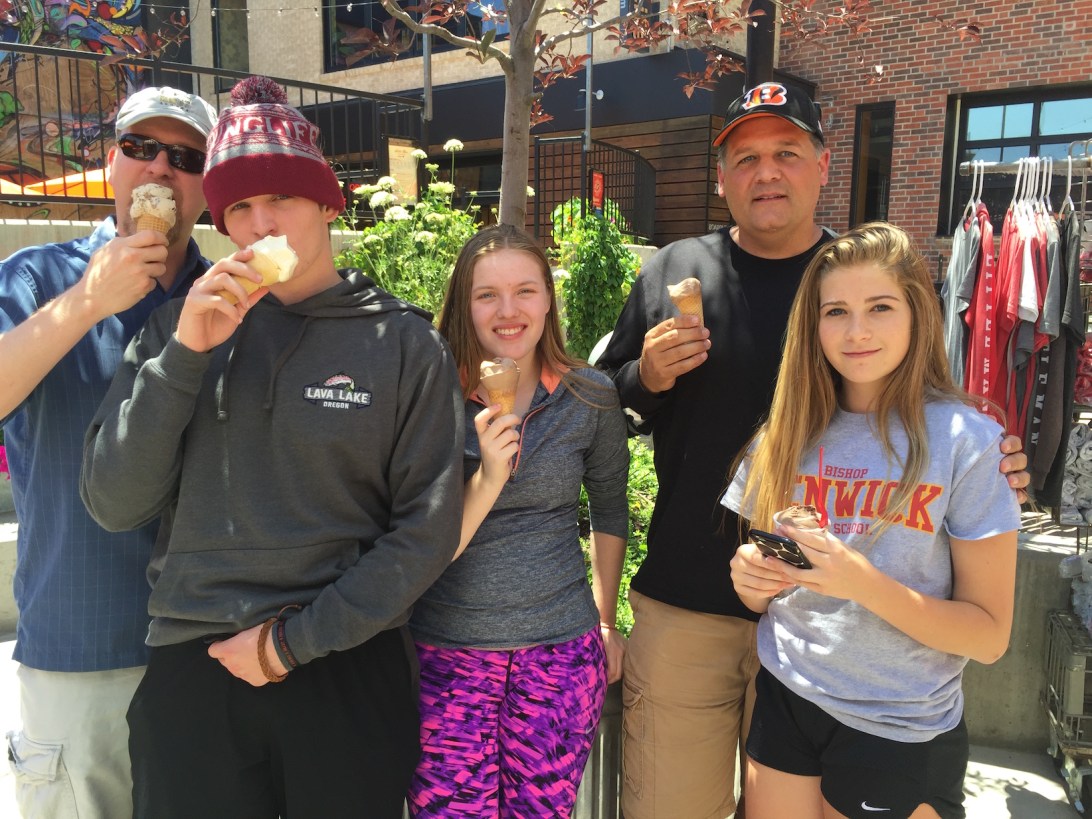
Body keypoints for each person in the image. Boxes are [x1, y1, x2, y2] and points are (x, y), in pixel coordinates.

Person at [594, 81, 1030, 819]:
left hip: (834, 642)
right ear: (723, 175)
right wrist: (647, 376)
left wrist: (997, 456)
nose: (767, 172)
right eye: (747, 157)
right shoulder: (671, 269)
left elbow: (933, 413)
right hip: (691, 605)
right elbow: (603, 411)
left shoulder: (857, 277)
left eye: (787, 153)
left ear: (824, 165)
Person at [80, 76, 464, 818]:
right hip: (195, 662)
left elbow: (426, 529)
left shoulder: (404, 342)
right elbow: (114, 501)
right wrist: (187, 354)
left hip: (342, 660)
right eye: (239, 208)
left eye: (280, 198)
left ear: (325, 202)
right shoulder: (175, 330)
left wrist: (293, 642)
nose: (259, 224)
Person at [722, 221, 1019, 818]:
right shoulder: (785, 433)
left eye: (879, 307)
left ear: (917, 314)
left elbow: (988, 637)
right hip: (787, 697)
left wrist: (858, 580)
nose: (856, 331)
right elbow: (767, 579)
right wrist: (751, 577)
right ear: (814, 324)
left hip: (899, 722)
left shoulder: (966, 442)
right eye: (836, 311)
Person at [0, 85, 216, 818]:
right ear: (110, 161)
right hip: (77, 649)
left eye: (185, 156)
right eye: (141, 148)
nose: (160, 169)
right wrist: (89, 302)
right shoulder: (38, 278)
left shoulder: (228, 295)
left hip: (205, 654)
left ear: (206, 183)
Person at [406, 224, 630, 818]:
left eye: (525, 291)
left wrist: (607, 622)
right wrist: (487, 479)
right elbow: (412, 547)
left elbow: (609, 510)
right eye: (487, 295)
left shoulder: (590, 397)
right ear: (464, 304)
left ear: (548, 299)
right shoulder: (428, 399)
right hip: (445, 653)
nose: (509, 312)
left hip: (558, 654)